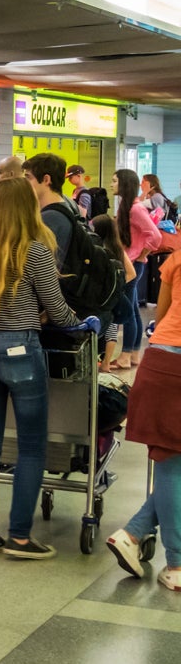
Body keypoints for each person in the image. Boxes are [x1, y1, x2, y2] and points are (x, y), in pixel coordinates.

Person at [0, 177, 86, 559]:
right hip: (19, 352)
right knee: (30, 447)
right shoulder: (35, 251)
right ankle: (21, 537)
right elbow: (59, 311)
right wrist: (80, 321)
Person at [105, 243, 181, 590]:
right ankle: (177, 563)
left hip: (164, 361)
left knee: (171, 461)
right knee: (171, 463)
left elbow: (162, 315)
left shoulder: (177, 257)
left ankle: (134, 534)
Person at [113, 168, 161, 370]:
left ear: (123, 183)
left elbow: (155, 236)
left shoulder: (136, 209)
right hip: (132, 262)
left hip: (133, 264)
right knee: (132, 309)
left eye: (114, 181)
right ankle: (132, 354)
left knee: (130, 311)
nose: (111, 184)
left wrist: (142, 255)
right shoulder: (127, 206)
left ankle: (125, 356)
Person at [90, 215, 135, 370]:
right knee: (112, 327)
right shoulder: (117, 248)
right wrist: (118, 285)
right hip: (113, 295)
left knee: (103, 326)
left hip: (101, 296)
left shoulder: (97, 249)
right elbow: (131, 273)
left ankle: (103, 362)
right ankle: (106, 363)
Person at [23, 153, 74, 267]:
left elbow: (40, 268)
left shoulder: (51, 219)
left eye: (28, 177)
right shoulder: (69, 207)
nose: (25, 183)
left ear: (46, 179)